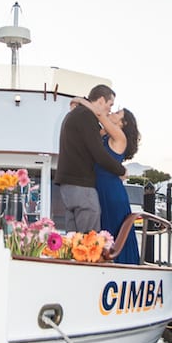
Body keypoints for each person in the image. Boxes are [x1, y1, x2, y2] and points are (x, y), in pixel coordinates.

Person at [74, 99, 141, 264]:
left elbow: (99, 114)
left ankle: (123, 268)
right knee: (103, 233)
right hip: (100, 190)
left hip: (111, 193)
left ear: (122, 123)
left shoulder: (119, 137)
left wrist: (81, 100)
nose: (112, 112)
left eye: (117, 113)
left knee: (114, 233)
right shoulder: (106, 135)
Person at [54, 84, 127, 233]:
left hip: (67, 186)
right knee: (89, 240)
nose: (110, 110)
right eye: (110, 104)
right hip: (82, 186)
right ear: (101, 100)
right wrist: (121, 170)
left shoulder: (74, 115)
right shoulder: (86, 117)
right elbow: (98, 154)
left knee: (73, 239)